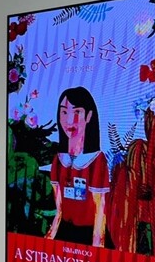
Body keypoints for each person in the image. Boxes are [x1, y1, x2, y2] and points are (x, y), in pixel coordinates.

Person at [46, 87, 112, 248]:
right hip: (65, 232)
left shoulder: (96, 160)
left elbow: (100, 210)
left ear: (88, 116)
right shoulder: (58, 160)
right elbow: (59, 210)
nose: (69, 120)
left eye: (77, 112)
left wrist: (97, 247)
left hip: (89, 235)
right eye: (64, 112)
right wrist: (49, 237)